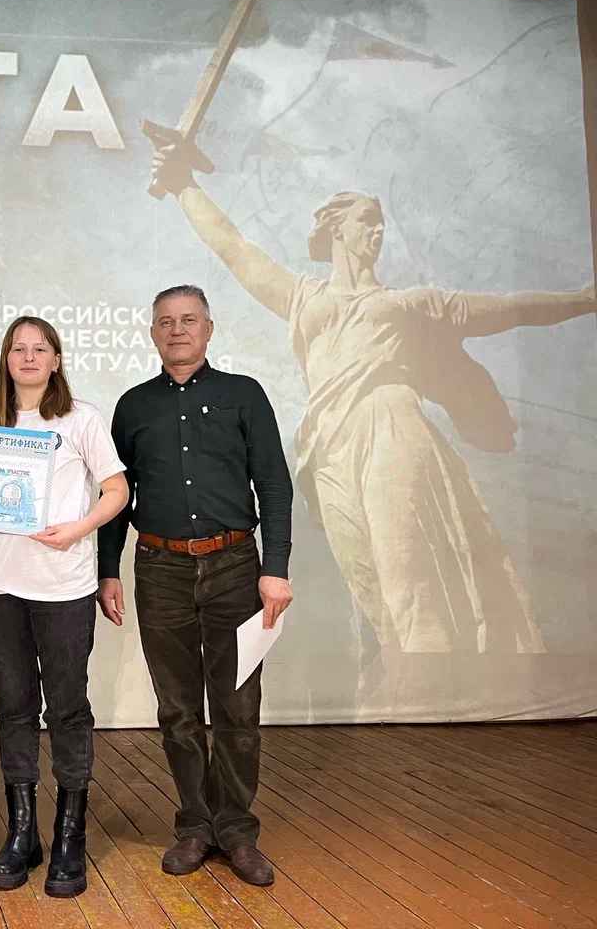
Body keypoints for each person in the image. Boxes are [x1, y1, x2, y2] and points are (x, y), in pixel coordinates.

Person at [149, 143, 596, 655]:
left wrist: (583, 299)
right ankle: (411, 672)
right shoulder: (304, 296)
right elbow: (234, 248)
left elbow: (508, 308)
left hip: (390, 423)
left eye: (381, 223)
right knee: (367, 579)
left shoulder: (409, 304)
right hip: (328, 446)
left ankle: (428, 671)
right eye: (367, 220)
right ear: (338, 228)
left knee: (405, 569)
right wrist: (183, 184)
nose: (378, 231)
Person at [97, 285, 293, 888]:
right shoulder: (133, 406)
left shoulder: (244, 395)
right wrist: (108, 569)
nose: (177, 329)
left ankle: (236, 830)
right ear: (152, 333)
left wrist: (277, 568)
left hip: (236, 567)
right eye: (165, 321)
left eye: (188, 320)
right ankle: (194, 826)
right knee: (178, 709)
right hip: (160, 570)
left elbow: (274, 485)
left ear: (209, 329)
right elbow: (117, 496)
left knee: (238, 706)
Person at [0, 316, 128, 897]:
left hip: (63, 586)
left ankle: (69, 835)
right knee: (13, 708)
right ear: (6, 359)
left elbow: (116, 490)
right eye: (18, 348)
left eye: (40, 348)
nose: (29, 357)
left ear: (56, 359)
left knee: (67, 709)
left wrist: (78, 528)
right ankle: (23, 832)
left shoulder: (81, 419)